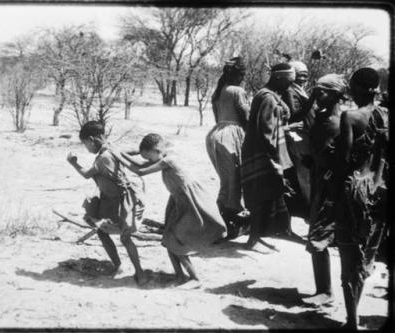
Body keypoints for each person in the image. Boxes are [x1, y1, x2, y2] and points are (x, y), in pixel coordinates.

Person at [113, 134, 227, 289]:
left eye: (150, 157)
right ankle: (180, 275)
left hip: (190, 200)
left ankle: (195, 278)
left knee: (176, 241)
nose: (149, 160)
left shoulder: (169, 160)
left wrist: (117, 155)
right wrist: (120, 153)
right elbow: (140, 164)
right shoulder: (161, 156)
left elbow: (140, 171)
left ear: (157, 150)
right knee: (167, 239)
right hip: (177, 200)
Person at [332, 68, 388, 329]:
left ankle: (352, 322)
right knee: (367, 256)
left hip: (354, 192)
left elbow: (343, 161)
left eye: (352, 86)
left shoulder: (351, 117)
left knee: (348, 257)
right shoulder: (387, 116)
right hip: (380, 192)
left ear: (361, 88)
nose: (349, 91)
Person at [66, 121, 148, 286]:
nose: (87, 149)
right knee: (103, 232)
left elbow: (87, 174)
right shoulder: (111, 147)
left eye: (86, 145)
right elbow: (126, 154)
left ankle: (139, 273)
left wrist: (73, 162)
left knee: (124, 237)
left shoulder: (103, 158)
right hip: (113, 201)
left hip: (120, 202)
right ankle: (120, 266)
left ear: (92, 139)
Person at [301, 74, 348, 307]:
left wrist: (329, 173)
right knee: (316, 234)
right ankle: (323, 289)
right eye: (316, 90)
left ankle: (326, 292)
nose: (317, 95)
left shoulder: (342, 121)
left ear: (337, 94)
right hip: (318, 181)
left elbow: (344, 157)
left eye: (323, 92)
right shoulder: (320, 116)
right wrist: (312, 160)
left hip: (332, 186)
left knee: (317, 237)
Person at [240, 63, 297, 250]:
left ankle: (257, 236)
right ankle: (253, 239)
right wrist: (274, 159)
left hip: (263, 151)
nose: (290, 86)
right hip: (262, 153)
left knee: (267, 195)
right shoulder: (267, 98)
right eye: (289, 82)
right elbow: (265, 131)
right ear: (279, 78)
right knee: (261, 197)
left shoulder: (270, 95)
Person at [206, 57, 250, 238]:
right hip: (231, 136)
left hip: (216, 134)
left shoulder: (218, 92)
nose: (243, 78)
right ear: (239, 75)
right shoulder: (237, 91)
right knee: (234, 181)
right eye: (242, 75)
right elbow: (246, 117)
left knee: (227, 180)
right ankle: (228, 223)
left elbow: (217, 118)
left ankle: (221, 221)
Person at [282, 60, 314, 216]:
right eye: (300, 75)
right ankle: (309, 207)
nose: (303, 78)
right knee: (304, 173)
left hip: (302, 135)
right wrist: (312, 100)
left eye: (305, 75)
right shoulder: (290, 90)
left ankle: (307, 204)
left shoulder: (299, 90)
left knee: (306, 172)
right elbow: (295, 115)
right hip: (297, 137)